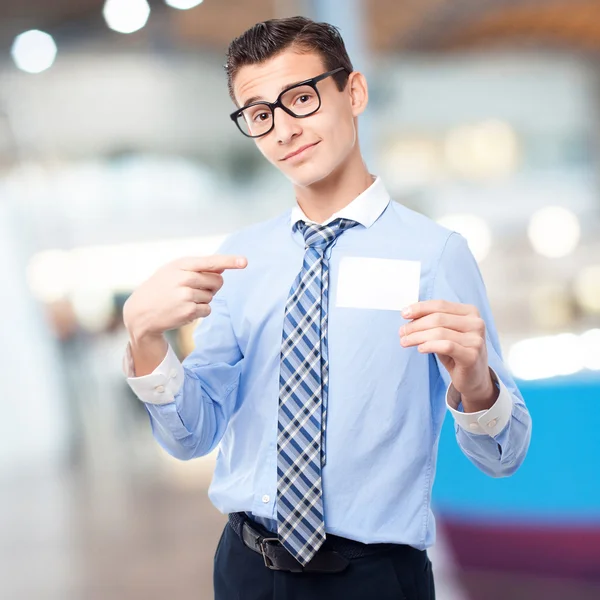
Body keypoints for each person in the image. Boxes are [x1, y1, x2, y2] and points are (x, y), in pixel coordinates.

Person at [122, 16, 532, 600]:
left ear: (354, 92)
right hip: (244, 569)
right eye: (261, 113)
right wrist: (145, 343)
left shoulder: (435, 254)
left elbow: (504, 456)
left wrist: (475, 384)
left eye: (301, 98)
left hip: (373, 578)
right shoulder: (240, 259)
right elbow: (193, 436)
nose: (284, 130)